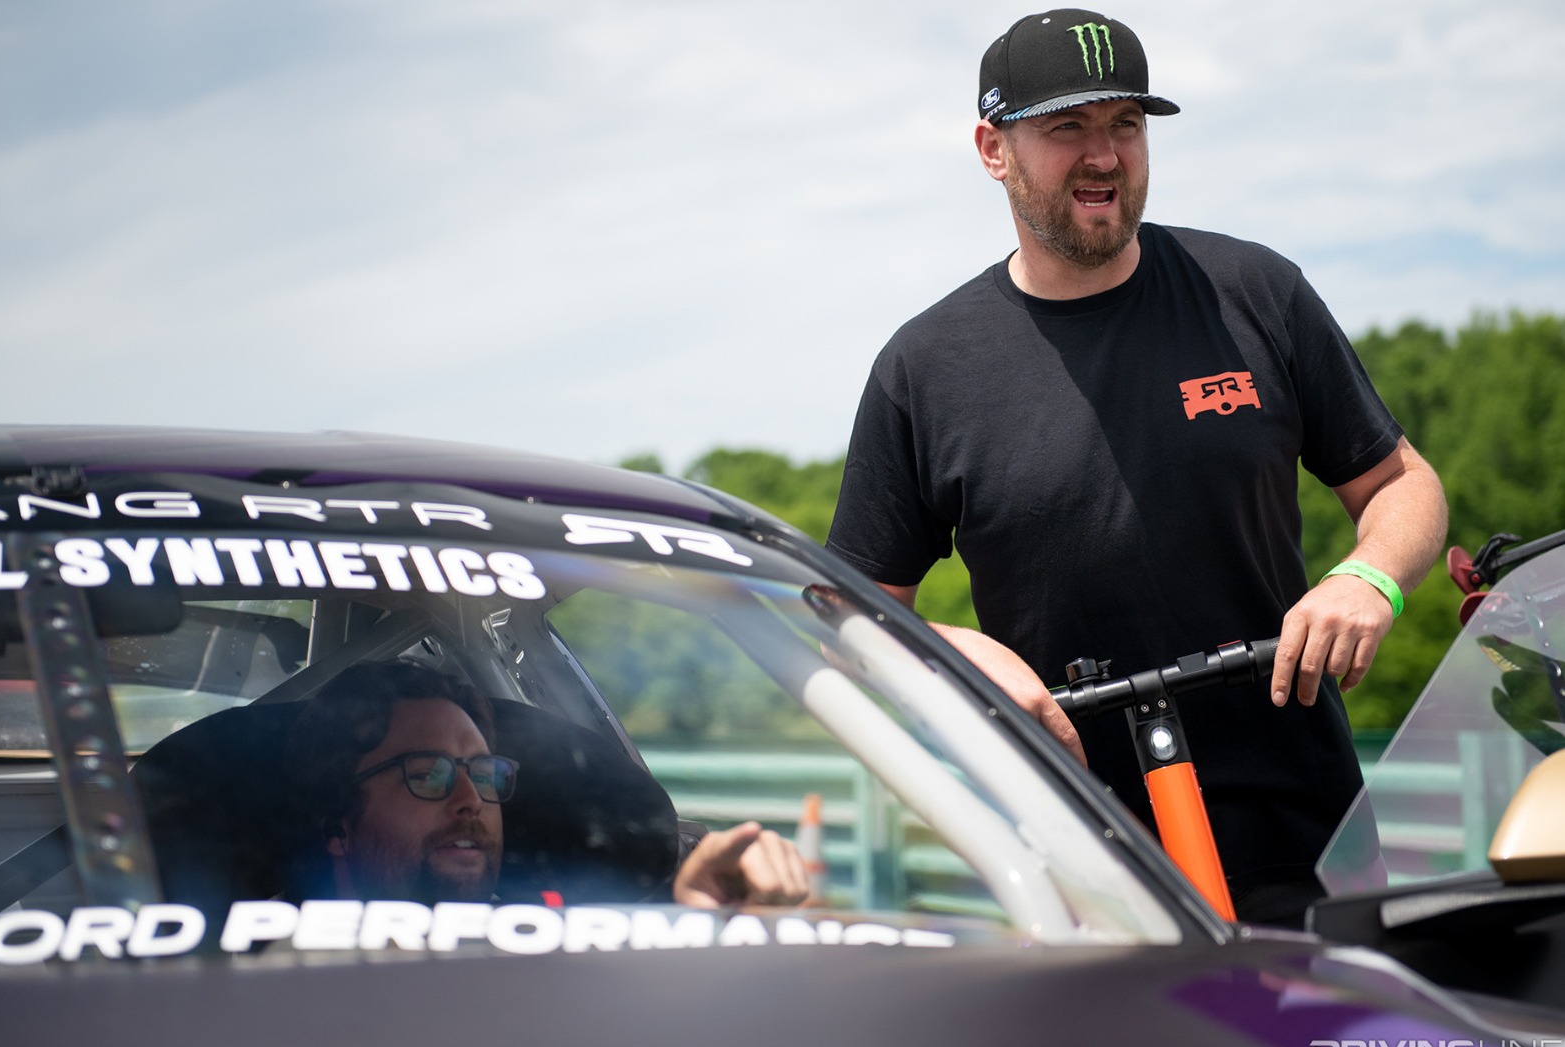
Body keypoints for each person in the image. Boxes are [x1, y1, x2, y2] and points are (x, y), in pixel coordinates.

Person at [825, 9, 1447, 925]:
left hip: (1304, 832)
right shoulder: (927, 366)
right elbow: (845, 608)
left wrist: (1370, 580)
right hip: (1074, 856)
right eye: (1066, 127)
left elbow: (1402, 484)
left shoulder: (1254, 291)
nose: (1106, 155)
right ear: (993, 149)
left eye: (1126, 124)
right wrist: (959, 659)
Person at [289, 660, 810, 908]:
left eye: (484, 773)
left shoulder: (545, 944)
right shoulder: (241, 961)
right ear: (337, 821)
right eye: (428, 775)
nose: (471, 801)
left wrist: (699, 925)